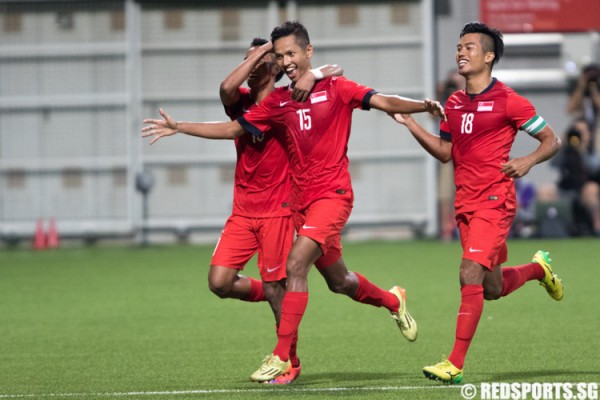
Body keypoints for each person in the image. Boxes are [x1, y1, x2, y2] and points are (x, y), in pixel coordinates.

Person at [142, 20, 445, 383]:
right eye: (280, 54)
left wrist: (421, 105)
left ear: (307, 52)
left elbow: (381, 100)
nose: (285, 60)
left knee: (295, 264)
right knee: (340, 282)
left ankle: (283, 356)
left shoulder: (334, 88)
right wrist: (180, 128)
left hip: (329, 198)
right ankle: (393, 301)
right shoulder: (277, 104)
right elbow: (232, 127)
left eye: (289, 54)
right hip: (298, 206)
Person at [389, 22, 563, 383]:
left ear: (489, 56)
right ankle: (538, 270)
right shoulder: (453, 102)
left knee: (468, 273)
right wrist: (410, 124)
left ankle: (453, 363)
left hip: (495, 201)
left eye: (469, 47)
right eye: (458, 47)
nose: (461, 52)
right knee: (491, 288)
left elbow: (552, 140)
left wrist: (527, 161)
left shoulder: (509, 101)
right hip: (465, 203)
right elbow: (444, 152)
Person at [553, 118, 600, 236]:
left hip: (586, 188)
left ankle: (597, 227)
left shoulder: (591, 152)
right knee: (545, 190)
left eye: (582, 131)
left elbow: (594, 168)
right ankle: (542, 229)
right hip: (567, 187)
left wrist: (582, 150)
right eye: (576, 131)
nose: (578, 135)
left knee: (591, 189)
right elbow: (554, 164)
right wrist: (561, 144)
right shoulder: (566, 151)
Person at [566, 63, 600, 152]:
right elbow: (570, 109)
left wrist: (594, 90)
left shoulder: (597, 89)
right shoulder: (578, 89)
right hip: (580, 128)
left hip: (595, 128)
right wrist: (581, 87)